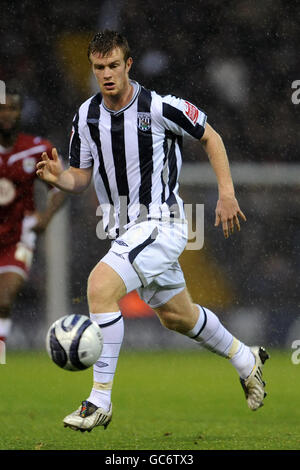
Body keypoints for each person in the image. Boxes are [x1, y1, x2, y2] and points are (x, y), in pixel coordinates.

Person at [36, 30, 269, 433]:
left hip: (162, 224)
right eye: (98, 68)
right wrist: (60, 178)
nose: (106, 74)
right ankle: (245, 359)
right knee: (177, 317)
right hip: (123, 231)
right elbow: (80, 177)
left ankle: (99, 401)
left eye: (113, 66)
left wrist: (226, 193)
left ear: (128, 65)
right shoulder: (85, 116)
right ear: (92, 69)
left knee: (99, 286)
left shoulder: (160, 107)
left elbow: (210, 136)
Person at [0, 86, 65, 343]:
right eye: (1, 109)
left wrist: (46, 217)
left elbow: (61, 186)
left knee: (4, 297)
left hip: (20, 237)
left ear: (20, 112)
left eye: (12, 109)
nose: (6, 114)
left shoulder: (37, 148)